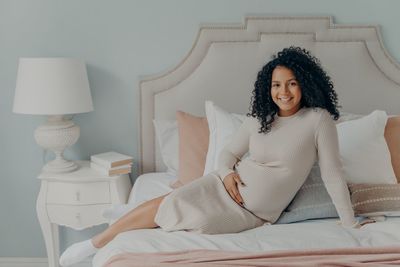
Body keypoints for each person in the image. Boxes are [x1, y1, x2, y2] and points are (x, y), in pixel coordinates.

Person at [59, 47, 360, 266]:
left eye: (292, 83)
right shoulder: (259, 119)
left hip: (252, 213)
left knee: (184, 214)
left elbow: (332, 173)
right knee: (170, 204)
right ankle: (95, 243)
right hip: (221, 185)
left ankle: (126, 218)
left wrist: (350, 223)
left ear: (305, 84)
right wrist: (228, 174)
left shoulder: (317, 120)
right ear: (268, 88)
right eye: (276, 84)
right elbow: (228, 153)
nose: (283, 92)